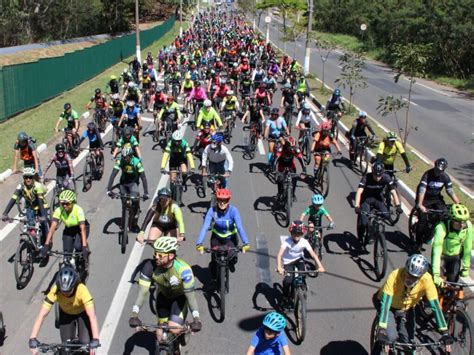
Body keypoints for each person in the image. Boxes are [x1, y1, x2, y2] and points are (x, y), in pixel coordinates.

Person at [129, 237, 202, 341]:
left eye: (160, 255)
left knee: (174, 328)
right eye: (155, 253)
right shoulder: (149, 267)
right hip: (162, 298)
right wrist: (134, 315)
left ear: (171, 256)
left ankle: (184, 330)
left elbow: (191, 296)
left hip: (179, 299)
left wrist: (196, 319)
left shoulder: (183, 270)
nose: (156, 257)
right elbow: (142, 293)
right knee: (160, 336)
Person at [374, 254, 451, 353]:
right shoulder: (395, 275)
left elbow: (435, 305)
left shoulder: (427, 280)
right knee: (390, 337)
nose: (410, 279)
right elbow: (386, 302)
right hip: (389, 307)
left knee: (409, 343)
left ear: (421, 276)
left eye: (415, 278)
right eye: (408, 274)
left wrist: (444, 332)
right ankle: (377, 347)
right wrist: (382, 328)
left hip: (407, 308)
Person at [29, 266, 100, 354]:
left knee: (85, 344)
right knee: (66, 348)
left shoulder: (82, 289)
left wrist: (95, 339)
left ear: (74, 285)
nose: (66, 294)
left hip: (82, 314)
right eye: (63, 291)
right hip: (66, 314)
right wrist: (33, 338)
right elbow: (42, 314)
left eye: (69, 291)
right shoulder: (55, 290)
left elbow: (92, 317)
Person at [196, 189, 250, 277]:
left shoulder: (234, 211)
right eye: (220, 200)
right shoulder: (212, 210)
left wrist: (246, 243)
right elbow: (205, 227)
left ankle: (231, 262)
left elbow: (240, 227)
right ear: (217, 200)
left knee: (232, 257)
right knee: (214, 260)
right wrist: (199, 243)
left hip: (230, 238)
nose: (222, 203)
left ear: (229, 200)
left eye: (225, 200)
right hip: (216, 238)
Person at [276, 221, 325, 307]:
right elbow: (279, 255)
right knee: (288, 281)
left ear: (302, 234)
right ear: (291, 233)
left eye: (299, 234)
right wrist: (279, 267)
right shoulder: (287, 242)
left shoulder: (304, 242)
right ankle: (285, 296)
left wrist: (320, 266)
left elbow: (313, 255)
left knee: (302, 274)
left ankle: (302, 288)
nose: (296, 236)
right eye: (294, 233)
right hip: (288, 262)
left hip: (299, 259)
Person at [354, 161, 402, 242]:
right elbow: (359, 192)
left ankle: (375, 230)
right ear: (372, 172)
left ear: (383, 173)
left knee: (386, 215)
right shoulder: (366, 177)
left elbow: (393, 192)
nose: (377, 177)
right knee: (364, 223)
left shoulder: (386, 178)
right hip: (366, 200)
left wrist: (398, 206)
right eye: (375, 175)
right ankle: (361, 235)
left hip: (378, 198)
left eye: (379, 175)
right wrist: (357, 206)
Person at [415, 158, 460, 243]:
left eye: (440, 171)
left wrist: (458, 203)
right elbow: (422, 189)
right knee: (423, 219)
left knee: (445, 215)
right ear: (434, 166)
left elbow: (449, 191)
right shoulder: (427, 174)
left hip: (436, 198)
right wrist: (420, 204)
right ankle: (417, 241)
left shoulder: (445, 177)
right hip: (424, 198)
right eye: (436, 170)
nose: (438, 172)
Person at [107, 147, 149, 231]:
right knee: (124, 203)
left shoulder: (137, 162)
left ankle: (134, 223)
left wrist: (146, 192)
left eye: (126, 157)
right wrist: (109, 189)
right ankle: (124, 221)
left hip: (133, 184)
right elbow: (113, 175)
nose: (125, 159)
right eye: (123, 157)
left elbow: (143, 178)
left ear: (131, 156)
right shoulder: (120, 161)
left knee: (135, 202)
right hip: (123, 184)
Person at [41, 189, 90, 260]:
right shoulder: (59, 210)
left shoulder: (78, 210)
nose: (64, 206)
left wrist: (84, 246)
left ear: (73, 202)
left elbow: (82, 229)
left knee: (78, 246)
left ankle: (83, 263)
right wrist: (46, 244)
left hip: (81, 228)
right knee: (66, 254)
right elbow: (52, 228)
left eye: (67, 203)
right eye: (62, 203)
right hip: (69, 229)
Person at [2, 168, 49, 240]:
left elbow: (40, 201)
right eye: (26, 177)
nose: (28, 179)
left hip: (41, 206)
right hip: (30, 207)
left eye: (30, 177)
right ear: (23, 178)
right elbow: (13, 199)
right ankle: (33, 240)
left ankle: (47, 242)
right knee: (30, 226)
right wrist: (5, 213)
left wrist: (42, 216)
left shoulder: (38, 186)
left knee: (43, 224)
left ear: (33, 178)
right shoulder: (21, 186)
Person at [431, 204, 472, 286]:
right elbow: (437, 250)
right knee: (437, 283)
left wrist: (466, 267)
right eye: (458, 221)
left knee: (453, 283)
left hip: (455, 256)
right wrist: (436, 274)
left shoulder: (468, 226)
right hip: (441, 255)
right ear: (452, 220)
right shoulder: (441, 227)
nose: (461, 225)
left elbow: (468, 247)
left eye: (463, 222)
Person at [273, 136, 306, 203]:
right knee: (280, 179)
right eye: (289, 148)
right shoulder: (281, 148)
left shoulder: (296, 149)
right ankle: (279, 193)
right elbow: (276, 160)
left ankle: (293, 194)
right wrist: (274, 170)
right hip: (281, 164)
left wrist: (304, 170)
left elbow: (301, 159)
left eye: (292, 148)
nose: (290, 150)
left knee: (294, 178)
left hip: (291, 165)